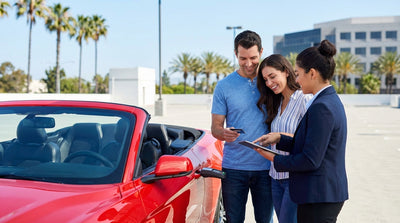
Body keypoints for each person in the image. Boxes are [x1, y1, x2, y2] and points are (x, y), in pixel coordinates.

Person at [253, 40, 348, 223]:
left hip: (320, 195)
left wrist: (273, 157)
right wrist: (279, 138)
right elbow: (308, 143)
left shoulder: (322, 107)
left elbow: (310, 159)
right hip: (320, 193)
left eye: (298, 74)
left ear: (312, 73)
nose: (296, 80)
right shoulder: (326, 101)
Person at [211, 30, 274, 223]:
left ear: (262, 52)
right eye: (242, 58)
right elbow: (215, 128)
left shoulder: (270, 82)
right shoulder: (224, 86)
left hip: (266, 167)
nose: (248, 63)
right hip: (233, 168)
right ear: (235, 54)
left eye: (253, 58)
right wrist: (223, 133)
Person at [256, 54, 311, 223]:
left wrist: (279, 137)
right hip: (275, 177)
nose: (269, 83)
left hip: (294, 178)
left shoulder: (304, 99)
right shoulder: (277, 102)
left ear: (286, 72)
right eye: (265, 79)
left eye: (272, 76)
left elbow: (311, 138)